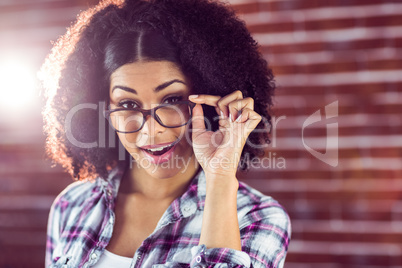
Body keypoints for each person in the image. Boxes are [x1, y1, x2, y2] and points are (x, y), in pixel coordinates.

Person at [40, 0, 291, 267]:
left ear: (210, 99)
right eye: (128, 104)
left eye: (172, 100)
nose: (152, 129)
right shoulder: (72, 204)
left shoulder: (258, 218)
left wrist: (220, 178)